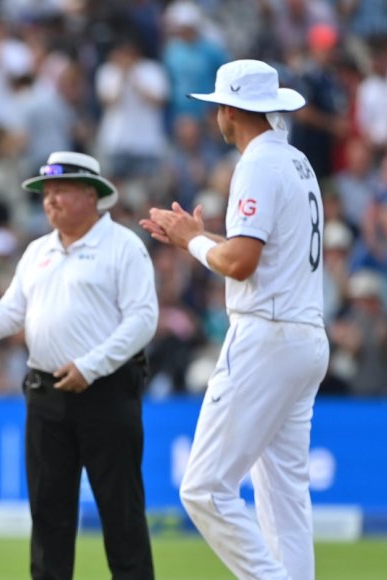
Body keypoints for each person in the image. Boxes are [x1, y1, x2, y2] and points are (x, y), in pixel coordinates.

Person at [139, 59, 330, 580]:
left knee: (203, 489)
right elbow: (261, 254)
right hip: (303, 336)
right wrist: (198, 238)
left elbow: (242, 263)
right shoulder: (297, 162)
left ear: (231, 110)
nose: (216, 116)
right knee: (284, 496)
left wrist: (191, 242)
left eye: (219, 106)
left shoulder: (257, 164)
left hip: (266, 336)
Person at [0, 151, 158, 579]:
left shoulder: (123, 246)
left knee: (121, 511)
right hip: (46, 393)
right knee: (48, 515)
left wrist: (91, 366)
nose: (50, 200)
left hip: (107, 392)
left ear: (91, 195)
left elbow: (143, 319)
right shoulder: (38, 250)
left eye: (61, 190)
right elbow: (12, 310)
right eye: (46, 192)